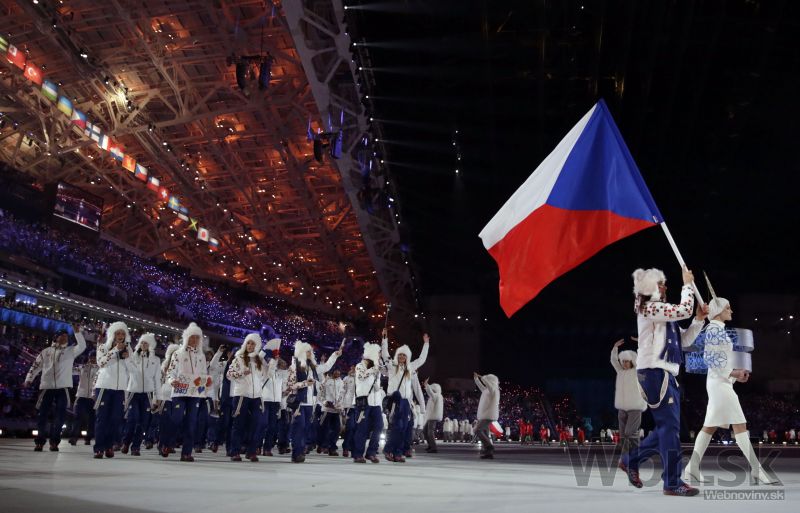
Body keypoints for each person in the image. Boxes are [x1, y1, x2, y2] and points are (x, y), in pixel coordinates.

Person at [619, 267, 707, 497]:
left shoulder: (662, 314)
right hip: (656, 372)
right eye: (659, 283)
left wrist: (698, 320)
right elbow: (684, 309)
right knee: (670, 428)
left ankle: (630, 460)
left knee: (666, 428)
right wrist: (687, 285)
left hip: (663, 374)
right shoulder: (649, 307)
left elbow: (685, 340)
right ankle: (672, 481)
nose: (664, 287)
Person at [683, 298, 778, 485]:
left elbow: (720, 361)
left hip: (721, 382)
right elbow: (710, 358)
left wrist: (735, 376)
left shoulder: (718, 329)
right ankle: (757, 470)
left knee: (709, 426)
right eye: (727, 307)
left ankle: (691, 467)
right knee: (739, 424)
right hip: (719, 384)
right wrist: (733, 372)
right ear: (718, 311)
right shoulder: (714, 329)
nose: (731, 310)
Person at [24, 325, 86, 451]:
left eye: (66, 336)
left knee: (60, 416)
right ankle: (40, 442)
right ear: (56, 337)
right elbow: (36, 366)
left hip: (63, 388)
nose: (65, 338)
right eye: (62, 336)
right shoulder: (46, 352)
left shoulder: (70, 351)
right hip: (46, 387)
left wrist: (77, 332)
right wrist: (29, 379)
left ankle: (54, 442)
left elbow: (83, 346)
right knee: (42, 415)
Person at [163, 322, 212, 462]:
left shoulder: (201, 356)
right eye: (192, 337)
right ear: (186, 338)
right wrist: (172, 380)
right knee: (176, 419)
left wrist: (205, 385)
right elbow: (170, 372)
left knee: (191, 423)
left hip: (195, 393)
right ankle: (167, 444)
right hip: (179, 391)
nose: (194, 340)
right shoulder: (178, 354)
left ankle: (186, 453)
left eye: (197, 338)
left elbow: (203, 375)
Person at [285, 341, 340, 463]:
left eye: (311, 351)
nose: (310, 353)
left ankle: (299, 451)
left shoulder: (313, 368)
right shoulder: (295, 366)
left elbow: (326, 367)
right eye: (308, 351)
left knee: (305, 428)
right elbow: (289, 385)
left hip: (310, 403)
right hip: (299, 402)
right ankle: (297, 453)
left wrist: (334, 355)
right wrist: (305, 383)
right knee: (299, 428)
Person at [381, 329, 430, 462]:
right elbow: (385, 354)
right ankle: (388, 450)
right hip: (395, 400)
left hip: (406, 402)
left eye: (404, 355)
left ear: (407, 357)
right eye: (400, 355)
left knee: (403, 428)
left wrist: (426, 344)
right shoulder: (392, 366)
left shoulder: (410, 368)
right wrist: (384, 338)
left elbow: (421, 359)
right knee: (397, 427)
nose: (401, 357)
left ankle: (398, 453)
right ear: (397, 356)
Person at [227, 333, 272, 462]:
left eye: (253, 343)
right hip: (242, 394)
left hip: (257, 395)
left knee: (257, 424)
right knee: (239, 424)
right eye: (248, 343)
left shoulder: (259, 360)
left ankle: (251, 452)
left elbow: (267, 376)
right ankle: (235, 451)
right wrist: (241, 373)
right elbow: (229, 375)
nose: (250, 345)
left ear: (257, 345)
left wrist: (272, 364)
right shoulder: (239, 358)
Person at [122, 333, 160, 456]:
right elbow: (128, 373)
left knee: (143, 422)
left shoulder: (155, 360)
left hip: (147, 395)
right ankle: (126, 442)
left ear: (151, 345)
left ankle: (136, 446)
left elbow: (157, 380)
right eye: (142, 342)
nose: (144, 345)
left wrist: (157, 398)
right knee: (132, 419)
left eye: (146, 343)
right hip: (133, 392)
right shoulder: (132, 357)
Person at [610, 339, 647, 458]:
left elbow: (643, 360)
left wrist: (640, 344)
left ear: (632, 362)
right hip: (622, 407)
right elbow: (613, 360)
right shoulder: (620, 372)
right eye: (623, 361)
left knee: (629, 432)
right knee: (623, 435)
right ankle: (626, 457)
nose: (624, 363)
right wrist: (615, 347)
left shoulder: (638, 372)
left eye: (627, 361)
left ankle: (636, 453)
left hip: (635, 407)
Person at [351, 342, 385, 464]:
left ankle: (371, 452)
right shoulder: (360, 365)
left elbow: (378, 384)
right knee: (362, 429)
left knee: (379, 427)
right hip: (364, 402)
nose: (379, 356)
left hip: (376, 403)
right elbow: (361, 377)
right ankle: (358, 454)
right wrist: (373, 370)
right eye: (378, 354)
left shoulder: (377, 368)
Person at [260, 340, 285, 457]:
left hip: (276, 402)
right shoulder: (264, 370)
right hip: (265, 400)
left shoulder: (281, 374)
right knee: (262, 424)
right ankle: (257, 446)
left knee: (272, 427)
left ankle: (267, 448)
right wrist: (271, 355)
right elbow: (260, 358)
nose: (278, 362)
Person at [69, 351, 98, 445]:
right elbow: (71, 370)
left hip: (93, 397)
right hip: (81, 396)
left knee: (92, 419)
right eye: (91, 357)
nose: (92, 359)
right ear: (88, 358)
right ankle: (73, 437)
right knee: (77, 416)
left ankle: (88, 438)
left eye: (94, 357)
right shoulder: (82, 367)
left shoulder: (100, 369)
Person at [474, 372, 500, 459]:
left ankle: (489, 446)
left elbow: (489, 386)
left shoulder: (494, 390)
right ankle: (489, 453)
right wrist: (476, 379)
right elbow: (482, 387)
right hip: (485, 414)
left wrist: (484, 378)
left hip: (489, 414)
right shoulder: (487, 390)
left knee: (477, 430)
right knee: (484, 432)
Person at [340, 366, 357, 457]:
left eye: (355, 367)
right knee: (350, 427)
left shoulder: (361, 377)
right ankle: (346, 448)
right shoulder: (346, 378)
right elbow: (342, 391)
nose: (353, 369)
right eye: (351, 368)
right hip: (349, 406)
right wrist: (342, 405)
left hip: (359, 405)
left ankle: (354, 448)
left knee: (357, 429)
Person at [423, 378, 443, 453]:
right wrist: (427, 386)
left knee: (430, 432)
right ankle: (430, 445)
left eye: (433, 389)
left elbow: (430, 392)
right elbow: (430, 393)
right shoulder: (434, 396)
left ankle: (433, 447)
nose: (432, 390)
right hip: (431, 416)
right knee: (425, 431)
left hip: (433, 417)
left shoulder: (437, 396)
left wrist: (427, 385)